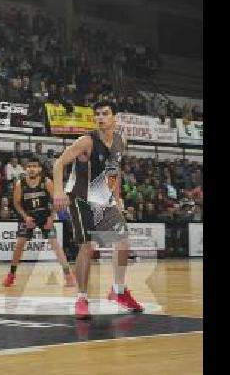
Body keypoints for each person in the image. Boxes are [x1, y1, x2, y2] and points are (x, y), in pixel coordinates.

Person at [52, 101, 144, 319]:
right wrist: (58, 191)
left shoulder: (121, 141)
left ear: (115, 117)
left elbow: (114, 171)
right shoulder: (86, 141)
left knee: (122, 242)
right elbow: (58, 163)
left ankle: (118, 292)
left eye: (105, 113)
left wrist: (117, 198)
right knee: (87, 246)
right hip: (80, 198)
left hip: (105, 199)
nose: (100, 117)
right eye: (97, 114)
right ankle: (82, 298)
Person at [3, 158, 75, 288]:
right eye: (29, 166)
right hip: (28, 216)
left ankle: (69, 276)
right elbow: (16, 203)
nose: (31, 168)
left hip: (45, 216)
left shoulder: (46, 182)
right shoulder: (20, 184)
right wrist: (25, 217)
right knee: (19, 244)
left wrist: (51, 218)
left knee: (55, 245)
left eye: (34, 166)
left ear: (39, 169)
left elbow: (56, 200)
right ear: (26, 169)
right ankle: (11, 275)